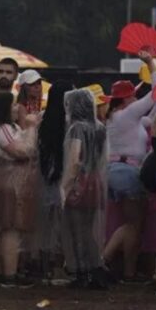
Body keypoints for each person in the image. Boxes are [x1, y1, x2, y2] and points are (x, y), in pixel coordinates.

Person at [103, 50, 156, 282]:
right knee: (132, 224)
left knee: (133, 225)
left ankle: (128, 272)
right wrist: (151, 64)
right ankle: (104, 259)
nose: (137, 98)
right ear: (127, 99)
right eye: (135, 95)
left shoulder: (119, 118)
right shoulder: (127, 115)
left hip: (117, 171)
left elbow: (155, 112)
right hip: (127, 172)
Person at [0, 90, 39, 287]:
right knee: (10, 229)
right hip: (8, 185)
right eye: (13, 104)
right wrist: (31, 128)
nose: (17, 108)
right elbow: (23, 151)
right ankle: (10, 275)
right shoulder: (3, 129)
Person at [60, 88, 109, 290]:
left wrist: (64, 187)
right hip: (95, 180)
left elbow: (73, 160)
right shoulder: (99, 127)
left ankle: (82, 273)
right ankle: (95, 268)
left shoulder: (76, 128)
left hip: (80, 182)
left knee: (77, 230)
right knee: (89, 229)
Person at [35, 80, 74, 282]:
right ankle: (59, 268)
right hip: (65, 176)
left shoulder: (43, 121)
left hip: (45, 175)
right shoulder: (71, 123)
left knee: (45, 223)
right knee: (62, 224)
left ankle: (44, 268)